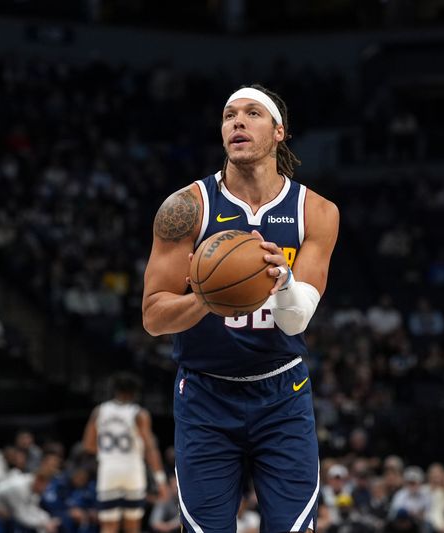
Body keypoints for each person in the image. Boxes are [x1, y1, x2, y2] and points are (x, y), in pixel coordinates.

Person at [142, 84, 339, 532]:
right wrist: (205, 300)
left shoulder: (317, 211)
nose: (238, 122)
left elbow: (295, 318)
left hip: (281, 393)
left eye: (252, 114)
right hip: (206, 394)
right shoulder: (186, 207)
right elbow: (153, 316)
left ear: (279, 131)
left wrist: (284, 280)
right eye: (230, 115)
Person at [81, 372, 168, 533]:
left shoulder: (99, 411)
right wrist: (160, 480)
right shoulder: (138, 413)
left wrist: (108, 454)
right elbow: (150, 449)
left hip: (109, 470)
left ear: (114, 390)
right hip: (132, 470)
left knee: (108, 526)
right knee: (132, 525)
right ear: (135, 393)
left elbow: (88, 445)